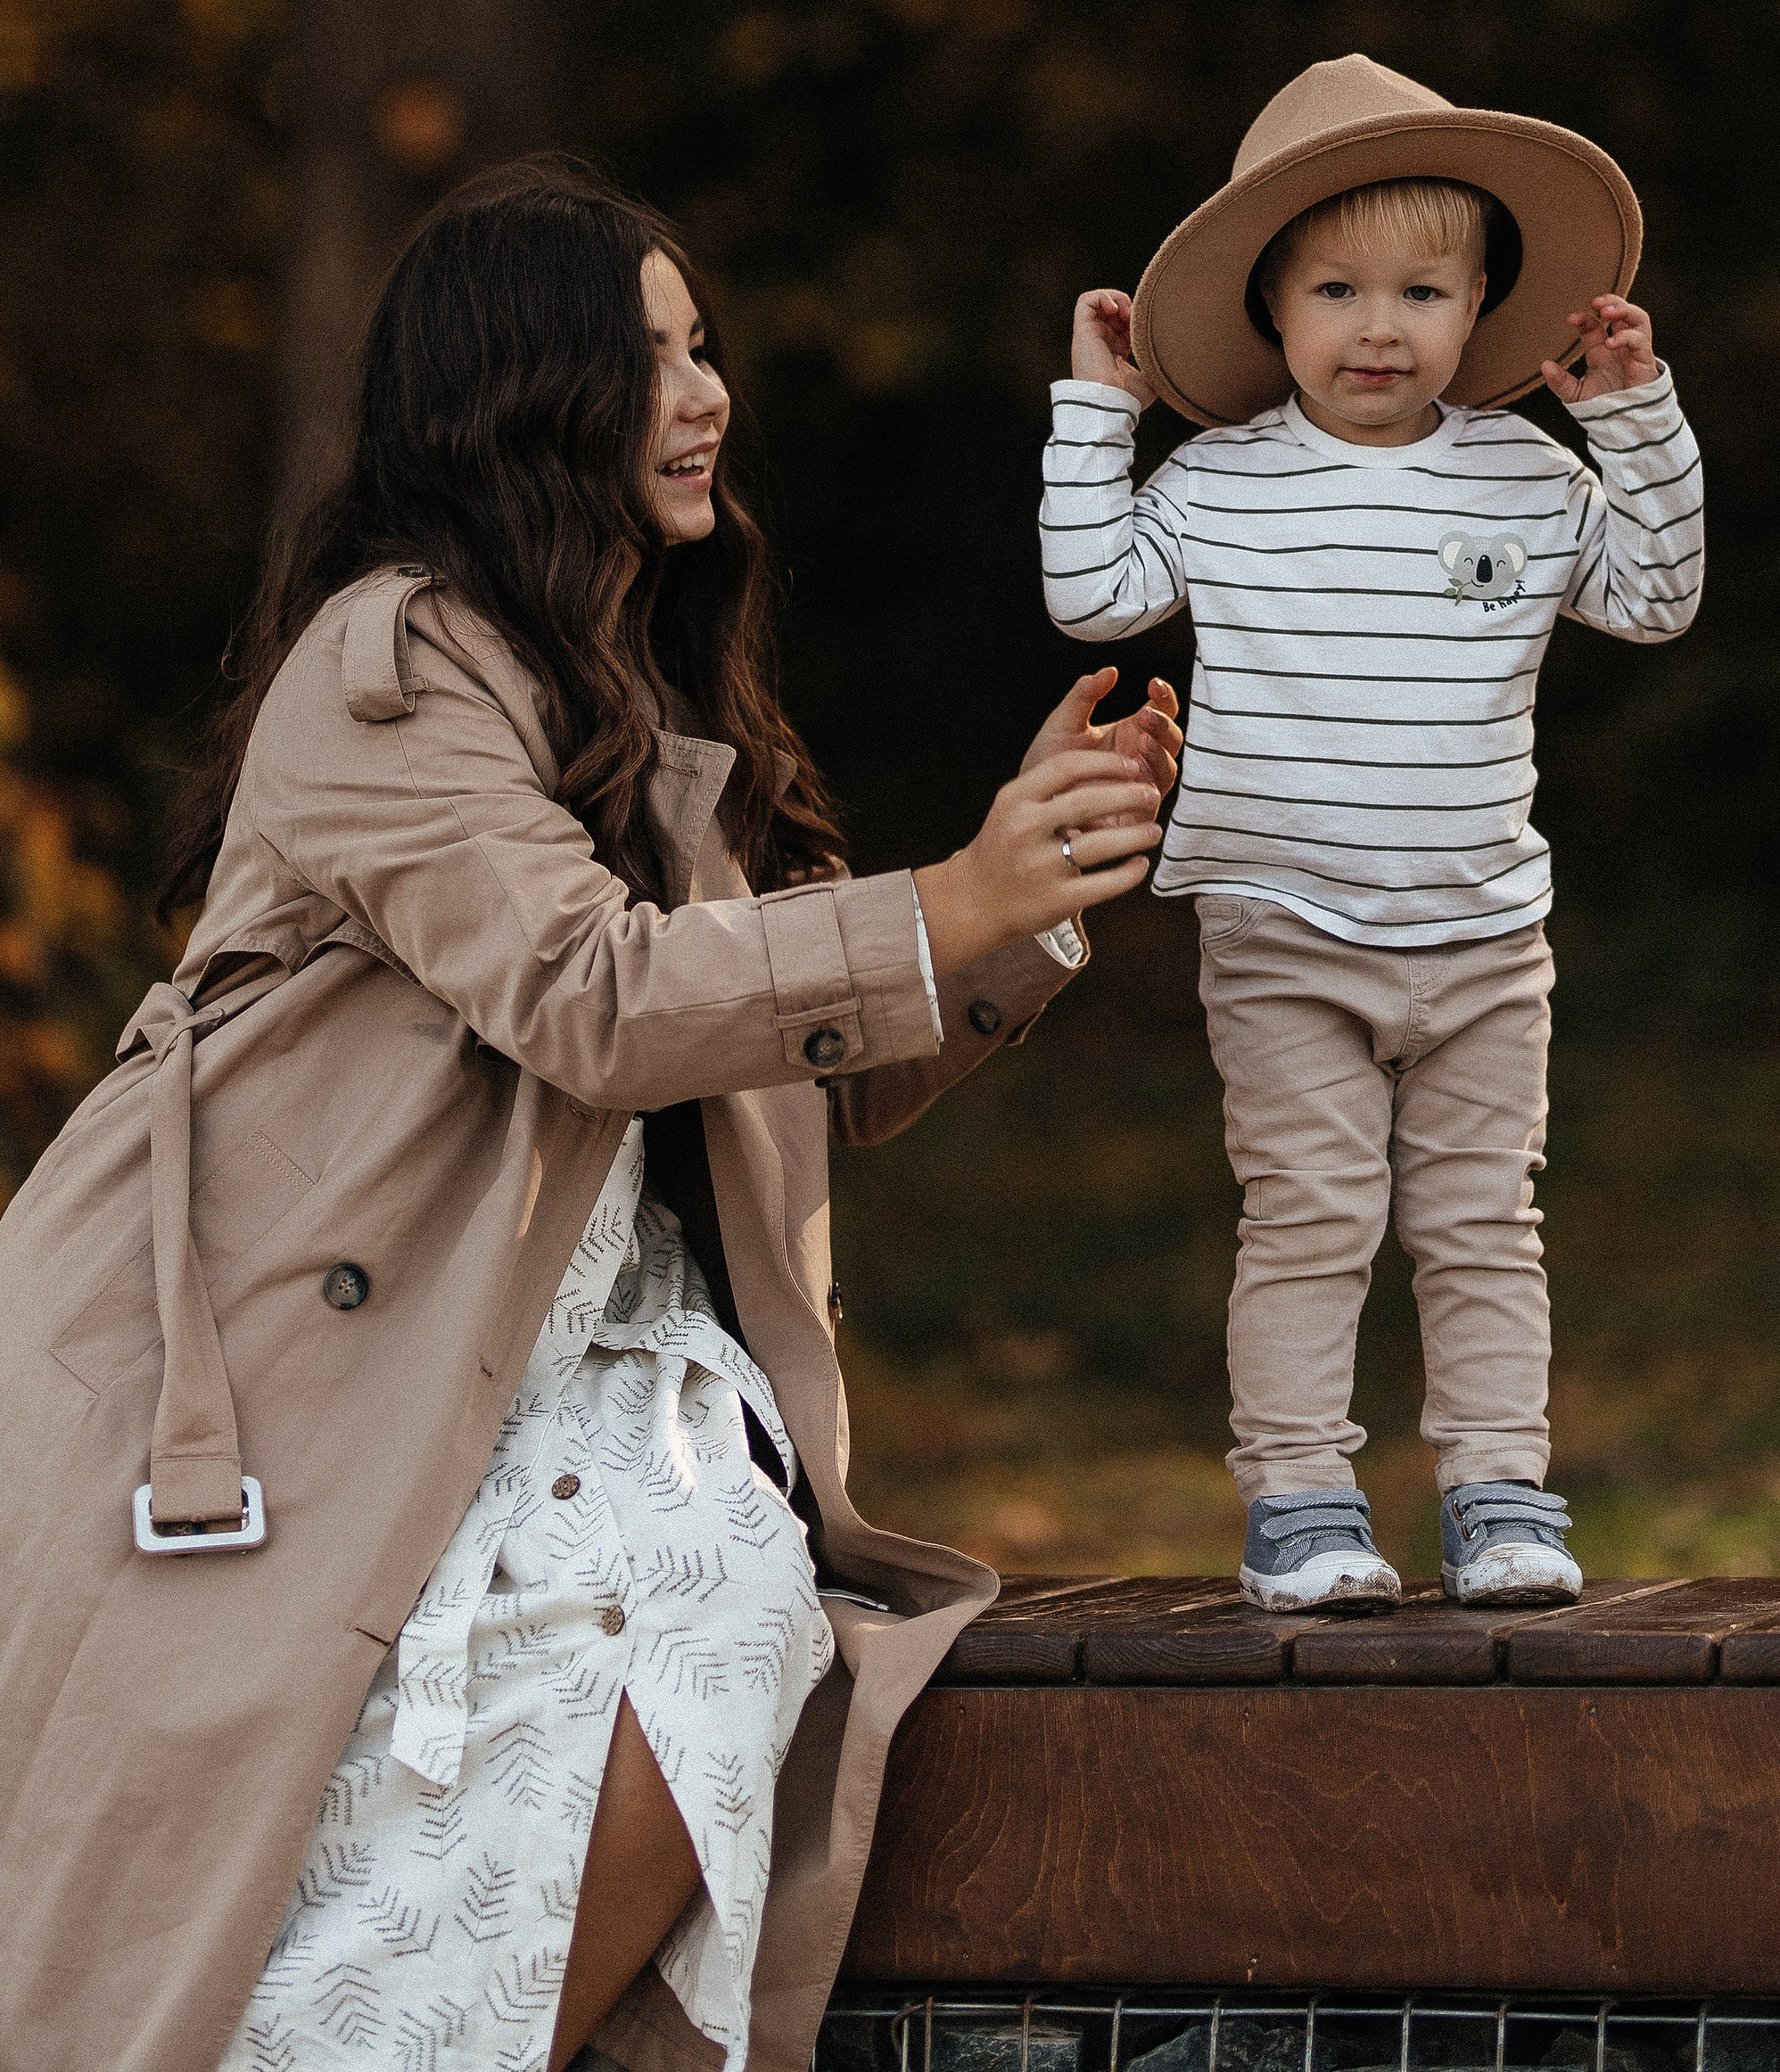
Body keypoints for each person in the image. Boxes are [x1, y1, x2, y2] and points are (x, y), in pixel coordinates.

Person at [0, 159, 1178, 2072]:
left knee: (726, 1579)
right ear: (520, 397)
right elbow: (596, 998)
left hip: (586, 1382)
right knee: (327, 1823)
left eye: (702, 346)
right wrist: (940, 896)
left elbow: (802, 1062)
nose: (703, 393)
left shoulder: (634, 698)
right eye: (645, 358)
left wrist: (1019, 906)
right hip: (312, 1405)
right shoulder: (387, 671)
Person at [1041, 53, 1702, 1613]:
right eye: (1336, 290)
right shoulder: (1219, 482)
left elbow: (1657, 596)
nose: (1380, 327)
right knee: (1314, 1214)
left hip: (1484, 936)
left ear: (1482, 313)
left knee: (1484, 1227)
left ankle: (1498, 1493)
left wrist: (1636, 418)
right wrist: (1097, 405)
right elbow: (1092, 593)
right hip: (1283, 930)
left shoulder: (1527, 477)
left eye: (1423, 290)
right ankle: (1300, 1501)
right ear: (1274, 310)